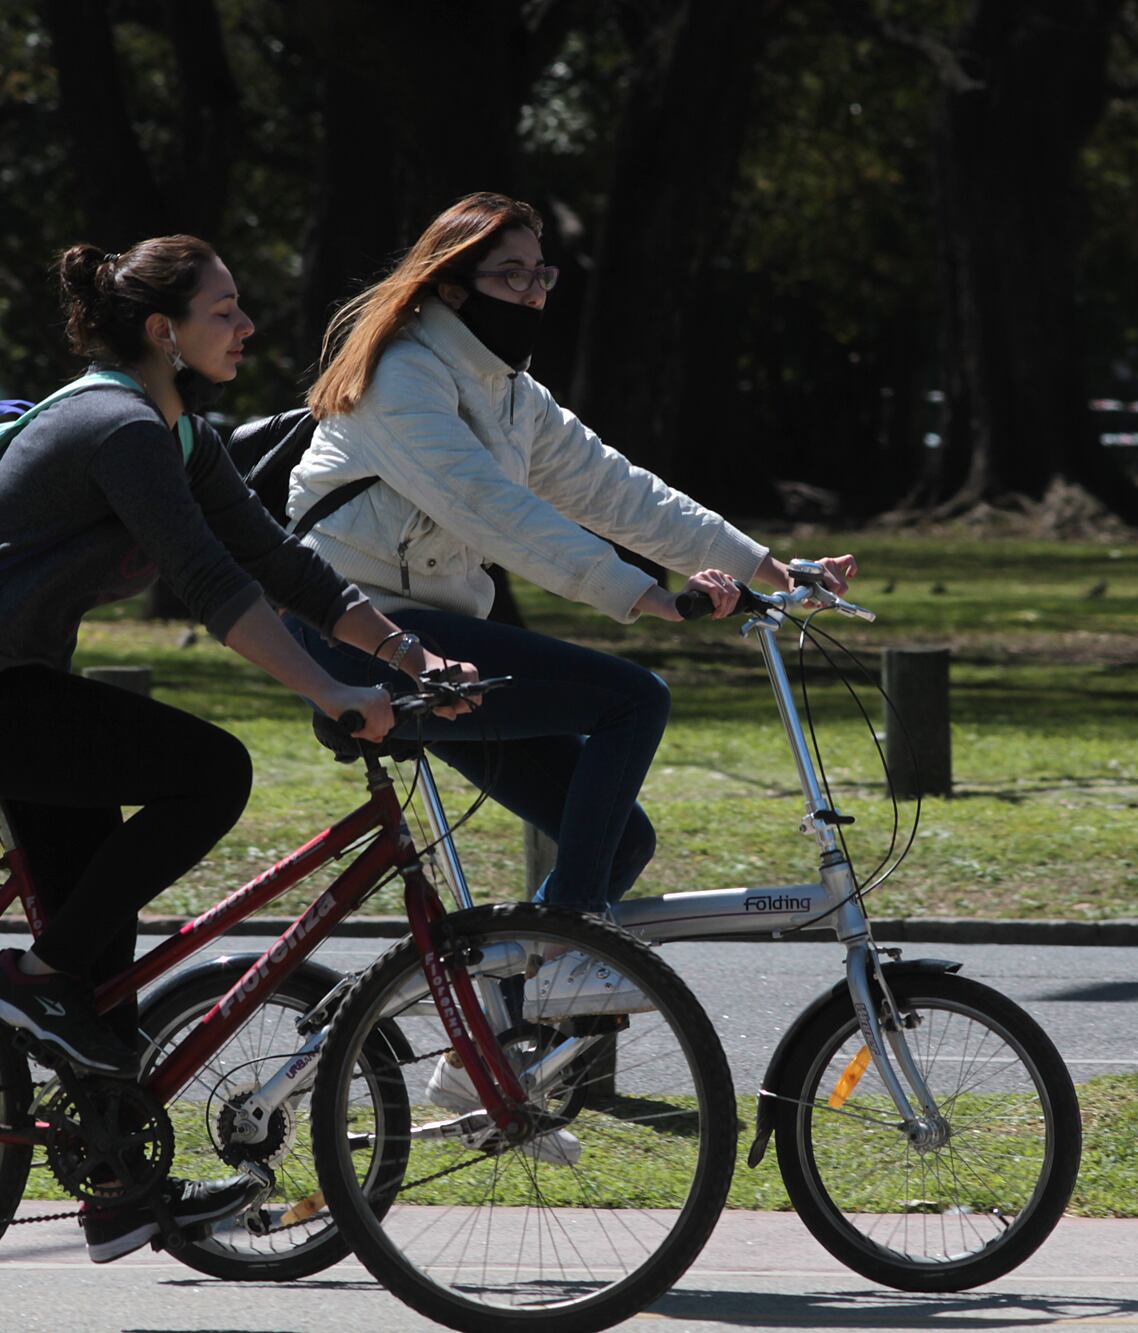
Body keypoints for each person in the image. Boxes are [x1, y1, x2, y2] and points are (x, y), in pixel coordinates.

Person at [0, 234, 470, 1261]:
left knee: (99, 974)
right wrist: (329, 687)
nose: (244, 326)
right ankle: (29, 982)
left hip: (7, 689)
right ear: (164, 330)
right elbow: (208, 582)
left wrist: (408, 654)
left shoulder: (175, 432)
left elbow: (277, 562)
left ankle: (114, 1187)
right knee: (210, 772)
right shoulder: (119, 429)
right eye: (224, 309)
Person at [284, 192, 855, 1158]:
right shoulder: (402, 380)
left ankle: (484, 1054)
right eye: (512, 276)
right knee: (634, 697)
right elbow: (496, 510)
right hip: (363, 638)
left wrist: (770, 568)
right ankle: (575, 942)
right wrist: (646, 598)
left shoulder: (507, 388)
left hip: (432, 637)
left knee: (617, 836)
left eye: (543, 274)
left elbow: (618, 489)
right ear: (449, 285)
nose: (535, 293)